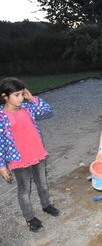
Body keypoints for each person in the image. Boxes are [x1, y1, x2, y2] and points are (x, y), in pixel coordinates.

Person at [0, 77, 60, 233]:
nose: (20, 98)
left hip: (37, 153)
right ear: (5, 96)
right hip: (19, 160)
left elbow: (46, 109)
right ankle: (30, 218)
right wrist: (2, 166)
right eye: (16, 95)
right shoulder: (1, 117)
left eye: (21, 94)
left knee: (43, 184)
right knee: (24, 190)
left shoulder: (27, 108)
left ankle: (46, 205)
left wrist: (31, 98)